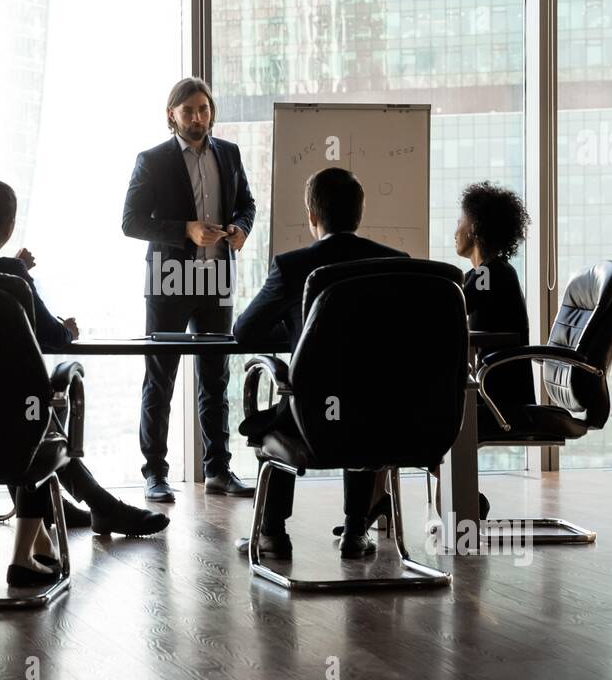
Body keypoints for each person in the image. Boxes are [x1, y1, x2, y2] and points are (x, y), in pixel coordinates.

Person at [0, 178, 170, 575]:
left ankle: (80, 518)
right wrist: (66, 326)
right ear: (4, 226)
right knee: (30, 419)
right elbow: (54, 337)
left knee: (16, 412)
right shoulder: (11, 275)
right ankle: (31, 553)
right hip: (5, 435)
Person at [231, 167, 406, 559]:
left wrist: (293, 327)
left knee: (286, 409)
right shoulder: (396, 263)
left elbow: (244, 331)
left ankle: (272, 532)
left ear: (312, 216)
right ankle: (356, 531)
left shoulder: (292, 267)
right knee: (360, 400)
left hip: (313, 416)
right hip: (384, 414)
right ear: (359, 215)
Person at [122, 77, 257, 503]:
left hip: (216, 276)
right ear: (171, 116)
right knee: (160, 378)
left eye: (203, 109)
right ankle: (155, 474)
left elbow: (247, 204)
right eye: (188, 112)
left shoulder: (230, 154)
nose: (197, 118)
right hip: (169, 280)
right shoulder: (152, 160)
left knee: (216, 378)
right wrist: (185, 230)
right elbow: (131, 221)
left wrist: (240, 229)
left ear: (210, 110)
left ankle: (218, 469)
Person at [451, 181, 534, 521]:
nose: (455, 229)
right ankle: (469, 497)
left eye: (460, 220)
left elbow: (449, 310)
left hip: (497, 397)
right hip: (489, 389)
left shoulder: (490, 275)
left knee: (425, 415)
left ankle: (469, 499)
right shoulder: (488, 274)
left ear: (474, 228)